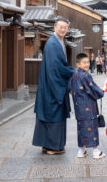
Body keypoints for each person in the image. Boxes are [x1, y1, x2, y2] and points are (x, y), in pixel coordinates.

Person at [32, 18, 75, 155]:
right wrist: (73, 72)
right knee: (54, 114)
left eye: (65, 27)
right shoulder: (53, 43)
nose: (63, 29)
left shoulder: (57, 41)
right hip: (53, 84)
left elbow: (59, 64)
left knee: (49, 114)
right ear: (55, 27)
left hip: (49, 83)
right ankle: (53, 147)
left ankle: (46, 145)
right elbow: (56, 67)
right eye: (61, 27)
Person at [69, 53, 106, 159]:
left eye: (88, 62)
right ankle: (96, 152)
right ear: (78, 64)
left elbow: (70, 89)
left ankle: (81, 151)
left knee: (81, 128)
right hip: (89, 107)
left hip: (78, 108)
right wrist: (101, 91)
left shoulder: (74, 75)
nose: (86, 65)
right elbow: (92, 89)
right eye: (84, 63)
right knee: (92, 128)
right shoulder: (86, 75)